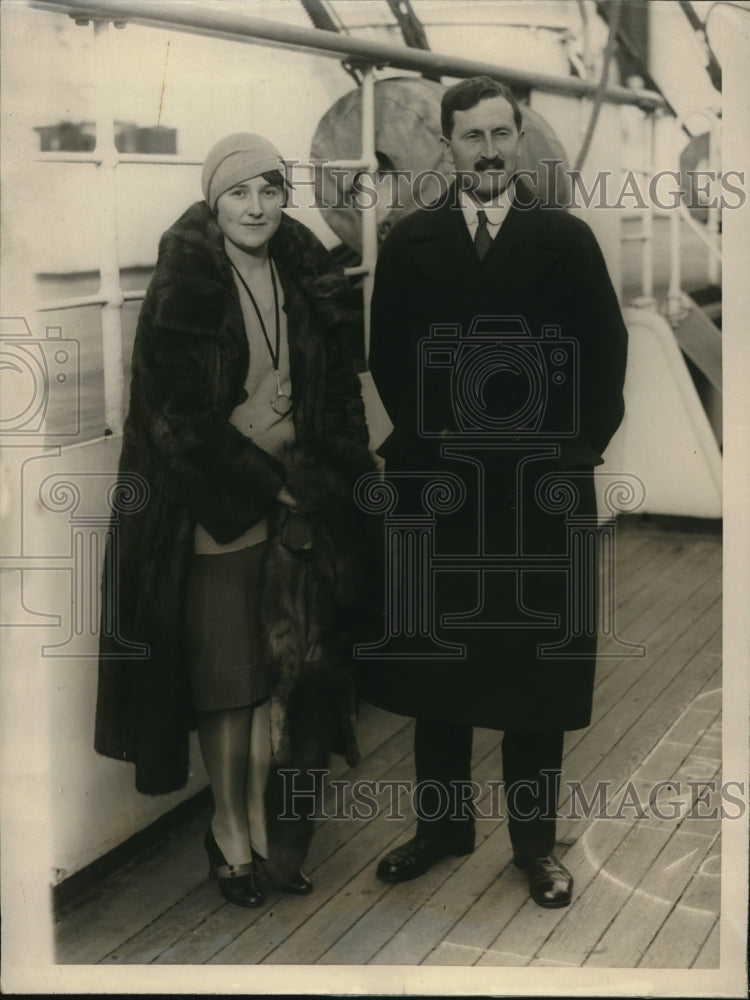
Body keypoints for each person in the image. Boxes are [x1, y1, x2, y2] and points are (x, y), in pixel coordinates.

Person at [361, 77, 628, 908]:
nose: (487, 151)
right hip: (441, 489)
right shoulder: (409, 244)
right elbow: (394, 363)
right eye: (470, 136)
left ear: (520, 139)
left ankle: (536, 845)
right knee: (437, 668)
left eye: (500, 134)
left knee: (532, 676)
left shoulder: (568, 241)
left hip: (538, 493)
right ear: (445, 145)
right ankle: (443, 826)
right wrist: (443, 455)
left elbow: (605, 365)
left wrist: (567, 459)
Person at [95, 133, 374, 908]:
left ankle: (266, 829)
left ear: (285, 196)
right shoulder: (186, 282)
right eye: (238, 193)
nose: (255, 207)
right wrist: (257, 455)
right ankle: (229, 830)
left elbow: (341, 396)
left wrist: (323, 481)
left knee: (287, 683)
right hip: (220, 511)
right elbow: (171, 416)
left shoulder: (303, 274)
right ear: (214, 201)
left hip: (301, 510)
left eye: (269, 189)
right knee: (230, 686)